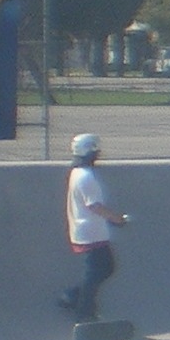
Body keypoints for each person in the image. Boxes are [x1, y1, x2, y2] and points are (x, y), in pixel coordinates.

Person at [56, 133, 129, 322]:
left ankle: (74, 296)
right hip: (90, 233)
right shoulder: (87, 177)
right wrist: (117, 219)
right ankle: (84, 310)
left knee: (104, 268)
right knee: (97, 271)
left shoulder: (76, 173)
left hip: (87, 231)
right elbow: (94, 205)